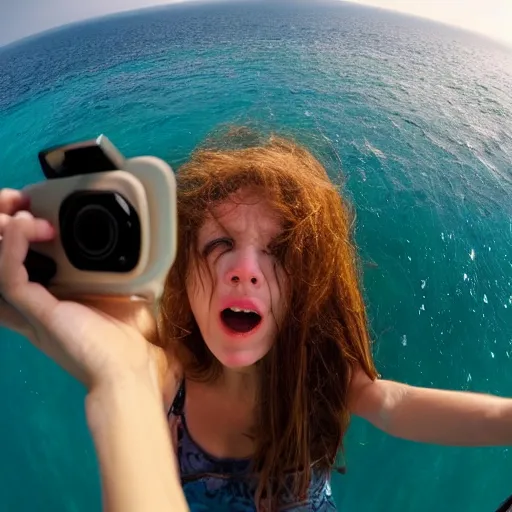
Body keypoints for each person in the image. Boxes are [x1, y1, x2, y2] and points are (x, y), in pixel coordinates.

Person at [0, 128, 511, 511]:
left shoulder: (321, 376)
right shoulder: (163, 367)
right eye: (219, 245)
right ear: (183, 272)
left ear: (307, 284)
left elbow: (395, 404)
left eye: (279, 253)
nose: (244, 272)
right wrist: (118, 373)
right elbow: (37, 318)